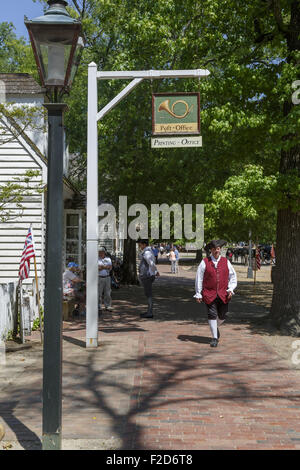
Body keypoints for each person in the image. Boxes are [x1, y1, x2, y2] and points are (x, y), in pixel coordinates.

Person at [194, 239, 237, 348]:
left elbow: (233, 276)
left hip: (223, 293)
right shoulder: (204, 262)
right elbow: (199, 278)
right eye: (214, 249)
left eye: (218, 249)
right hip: (209, 292)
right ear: (211, 250)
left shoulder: (226, 261)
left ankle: (214, 326)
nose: (216, 251)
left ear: (220, 250)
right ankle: (214, 338)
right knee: (212, 314)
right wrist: (198, 293)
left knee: (223, 316)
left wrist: (231, 289)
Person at [137, 239, 160, 318]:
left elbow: (151, 263)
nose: (139, 246)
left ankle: (150, 312)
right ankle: (149, 311)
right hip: (147, 275)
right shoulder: (148, 251)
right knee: (148, 294)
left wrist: (155, 271)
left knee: (149, 294)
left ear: (144, 244)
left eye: (140, 245)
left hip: (147, 276)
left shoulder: (147, 252)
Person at [98, 247, 113, 313]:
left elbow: (110, 267)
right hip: (99, 277)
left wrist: (102, 267)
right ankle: (99, 306)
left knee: (108, 293)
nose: (100, 253)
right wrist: (105, 267)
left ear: (104, 253)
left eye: (101, 252)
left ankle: (108, 305)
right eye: (99, 252)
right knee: (99, 293)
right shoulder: (96, 259)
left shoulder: (108, 259)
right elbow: (97, 268)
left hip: (107, 277)